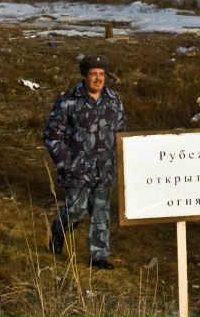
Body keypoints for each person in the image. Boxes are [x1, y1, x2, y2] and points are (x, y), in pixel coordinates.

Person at [42, 54, 128, 270]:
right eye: (93, 74)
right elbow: (52, 134)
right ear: (84, 76)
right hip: (77, 169)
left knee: (101, 212)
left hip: (104, 168)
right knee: (76, 211)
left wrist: (123, 159)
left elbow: (122, 131)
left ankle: (98, 256)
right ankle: (58, 230)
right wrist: (66, 163)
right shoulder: (68, 100)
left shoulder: (113, 99)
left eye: (101, 74)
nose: (98, 79)